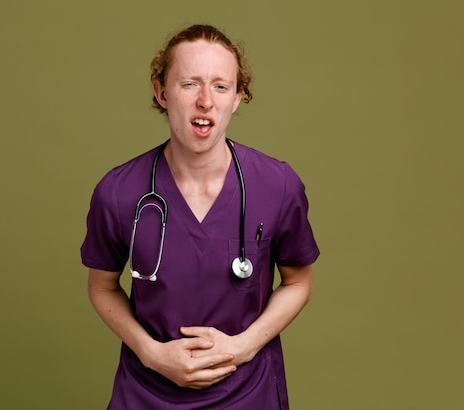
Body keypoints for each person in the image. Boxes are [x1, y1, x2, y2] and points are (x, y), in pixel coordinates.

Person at [81, 24, 320, 409]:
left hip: (248, 393)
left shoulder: (277, 185)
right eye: (189, 84)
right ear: (161, 93)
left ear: (238, 98)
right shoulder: (119, 192)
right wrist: (149, 352)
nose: (206, 101)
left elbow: (298, 282)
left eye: (221, 86)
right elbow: (102, 286)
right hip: (147, 393)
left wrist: (242, 347)